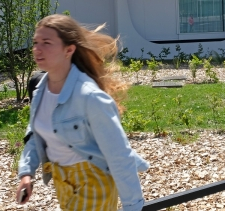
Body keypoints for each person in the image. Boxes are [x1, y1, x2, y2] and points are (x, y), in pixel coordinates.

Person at [16, 14, 149, 211]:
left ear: (69, 50)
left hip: (94, 181)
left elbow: (119, 154)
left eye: (46, 42)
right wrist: (26, 174)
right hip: (62, 182)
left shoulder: (89, 96)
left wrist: (133, 206)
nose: (37, 49)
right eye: (35, 42)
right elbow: (36, 136)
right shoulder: (39, 91)